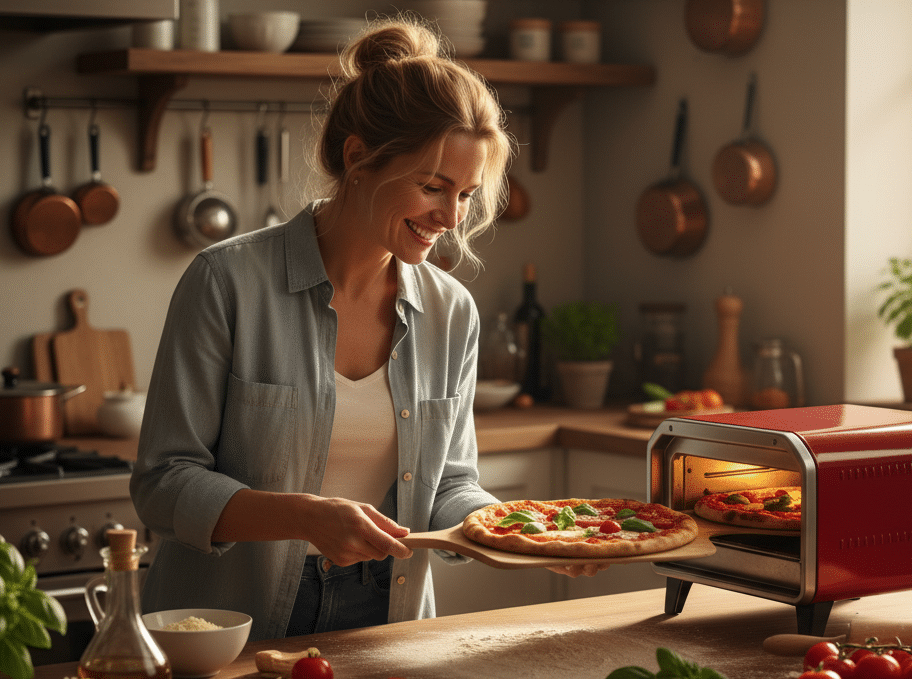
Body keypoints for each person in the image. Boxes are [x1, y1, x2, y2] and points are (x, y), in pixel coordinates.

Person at [131, 17, 600, 642]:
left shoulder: (451, 311)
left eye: (466, 195)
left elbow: (451, 486)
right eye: (433, 187)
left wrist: (524, 530)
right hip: (229, 623)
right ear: (358, 158)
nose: (450, 217)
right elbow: (164, 484)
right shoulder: (227, 282)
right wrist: (304, 517)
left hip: (389, 611)